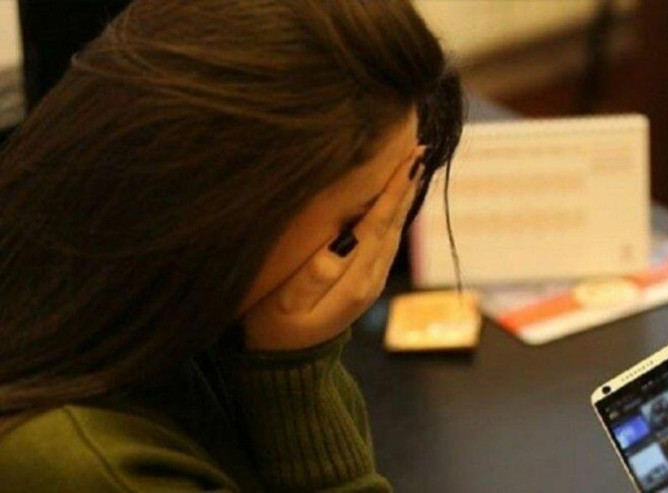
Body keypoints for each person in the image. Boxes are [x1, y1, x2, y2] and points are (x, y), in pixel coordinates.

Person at [0, 1, 464, 491]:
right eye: (358, 221)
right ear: (230, 211)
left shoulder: (172, 332)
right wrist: (298, 379)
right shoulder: (93, 469)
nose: (371, 248)